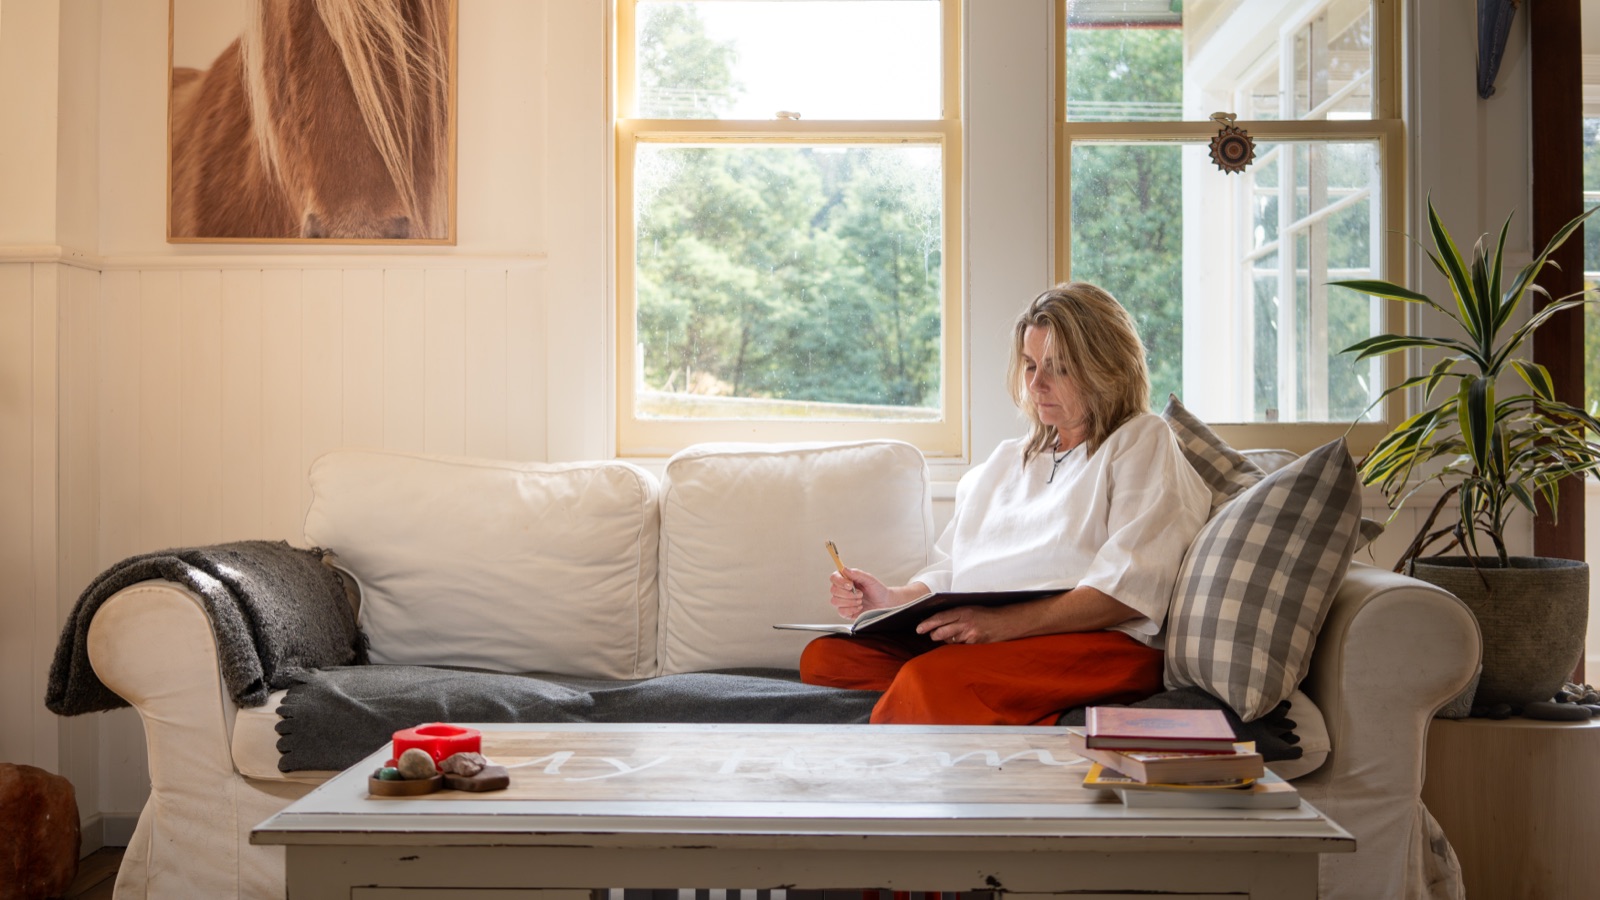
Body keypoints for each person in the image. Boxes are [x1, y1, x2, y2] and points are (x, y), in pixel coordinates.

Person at [799, 282, 1211, 725]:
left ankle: (942, 698)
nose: (1036, 384)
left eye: (1059, 369)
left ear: (1106, 368)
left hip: (1094, 644)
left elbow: (1129, 592)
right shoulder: (1007, 461)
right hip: (989, 639)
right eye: (1031, 365)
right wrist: (891, 599)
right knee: (827, 659)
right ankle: (971, 702)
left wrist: (1002, 625)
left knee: (929, 681)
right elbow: (952, 570)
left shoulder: (1139, 439)